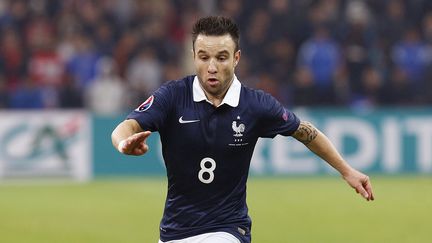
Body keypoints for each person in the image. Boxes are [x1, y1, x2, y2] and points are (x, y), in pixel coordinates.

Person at [111, 16, 374, 243]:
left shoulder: (256, 104)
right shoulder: (173, 96)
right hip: (174, 231)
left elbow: (305, 132)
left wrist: (346, 170)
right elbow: (126, 126)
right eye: (204, 57)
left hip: (228, 229)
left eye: (221, 57)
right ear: (193, 57)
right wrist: (123, 143)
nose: (212, 67)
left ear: (236, 58)